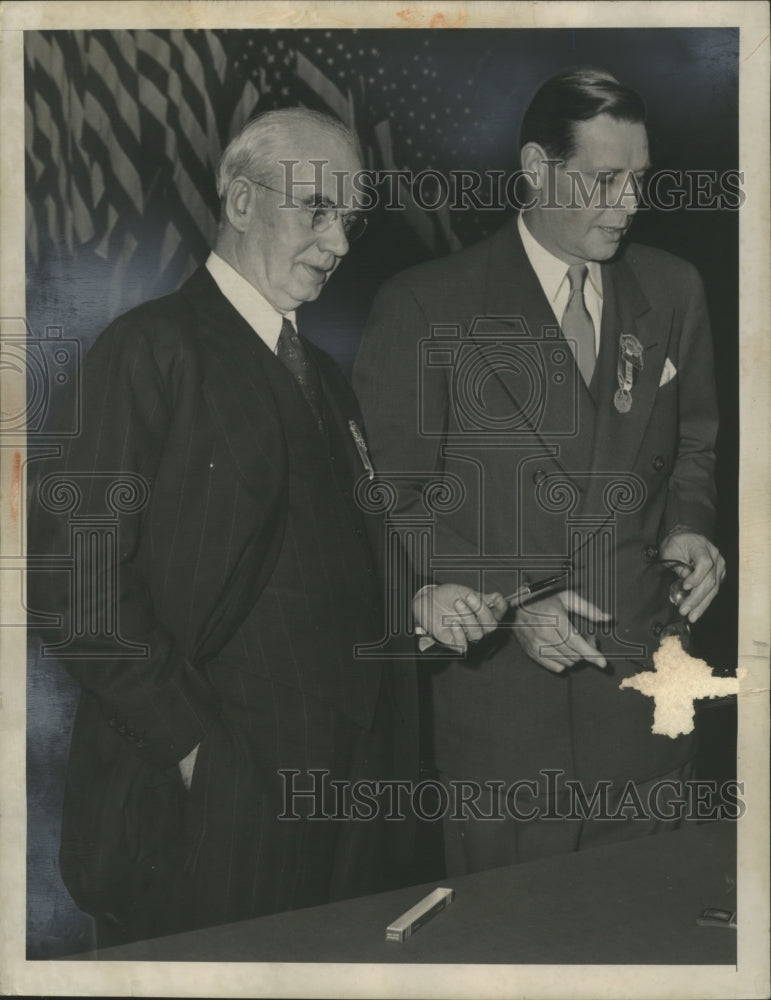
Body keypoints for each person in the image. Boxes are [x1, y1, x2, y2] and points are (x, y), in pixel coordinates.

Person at [27, 108, 503, 945]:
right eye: (316, 209)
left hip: (353, 806)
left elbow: (334, 553)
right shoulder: (150, 350)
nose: (340, 241)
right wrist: (196, 752)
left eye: (350, 218)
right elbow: (72, 583)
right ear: (240, 201)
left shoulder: (321, 372)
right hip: (218, 806)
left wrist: (419, 603)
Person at [354, 68, 726, 876]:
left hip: (646, 713)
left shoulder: (673, 290)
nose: (628, 203)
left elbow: (694, 444)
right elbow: (395, 501)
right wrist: (511, 600)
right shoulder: (426, 305)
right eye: (603, 180)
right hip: (511, 732)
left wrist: (690, 529)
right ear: (534, 167)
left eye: (639, 179)